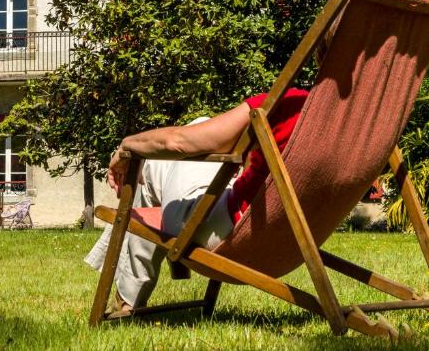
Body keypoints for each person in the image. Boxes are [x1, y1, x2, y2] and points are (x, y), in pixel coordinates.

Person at [85, 88, 310, 315]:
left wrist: (127, 145)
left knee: (154, 157)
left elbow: (178, 142)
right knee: (157, 164)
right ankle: (129, 295)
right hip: (293, 239)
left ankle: (128, 299)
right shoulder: (333, 128)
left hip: (229, 230)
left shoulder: (288, 101)